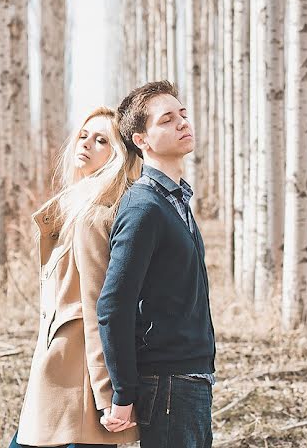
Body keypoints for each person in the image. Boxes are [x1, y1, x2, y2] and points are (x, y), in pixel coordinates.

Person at [11, 107, 142, 448]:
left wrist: (106, 394)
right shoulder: (75, 205)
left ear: (118, 155)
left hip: (78, 375)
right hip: (58, 370)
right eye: (83, 135)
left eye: (102, 140)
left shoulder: (94, 215)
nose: (86, 143)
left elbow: (100, 304)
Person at [97, 81, 217, 448]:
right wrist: (124, 393)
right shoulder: (144, 207)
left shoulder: (176, 202)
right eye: (167, 119)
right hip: (168, 383)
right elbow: (113, 304)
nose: (183, 123)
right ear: (141, 140)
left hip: (190, 378)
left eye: (183, 114)